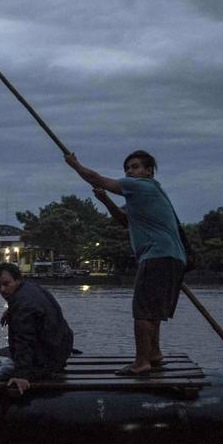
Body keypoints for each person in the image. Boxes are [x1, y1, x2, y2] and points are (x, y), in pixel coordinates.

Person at [65, 149, 185, 376]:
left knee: (141, 312)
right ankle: (154, 354)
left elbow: (96, 178)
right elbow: (123, 222)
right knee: (154, 312)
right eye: (127, 168)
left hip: (157, 255)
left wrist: (75, 165)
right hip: (172, 257)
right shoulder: (143, 195)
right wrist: (106, 200)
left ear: (149, 172)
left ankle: (141, 362)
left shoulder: (143, 186)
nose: (130, 172)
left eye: (135, 167)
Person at [0, 262, 74, 395]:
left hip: (47, 357)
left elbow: (25, 340)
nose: (2, 290)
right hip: (62, 348)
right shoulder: (31, 289)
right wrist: (11, 310)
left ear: (17, 280)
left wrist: (21, 375)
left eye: (6, 284)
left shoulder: (23, 306)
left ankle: (44, 368)